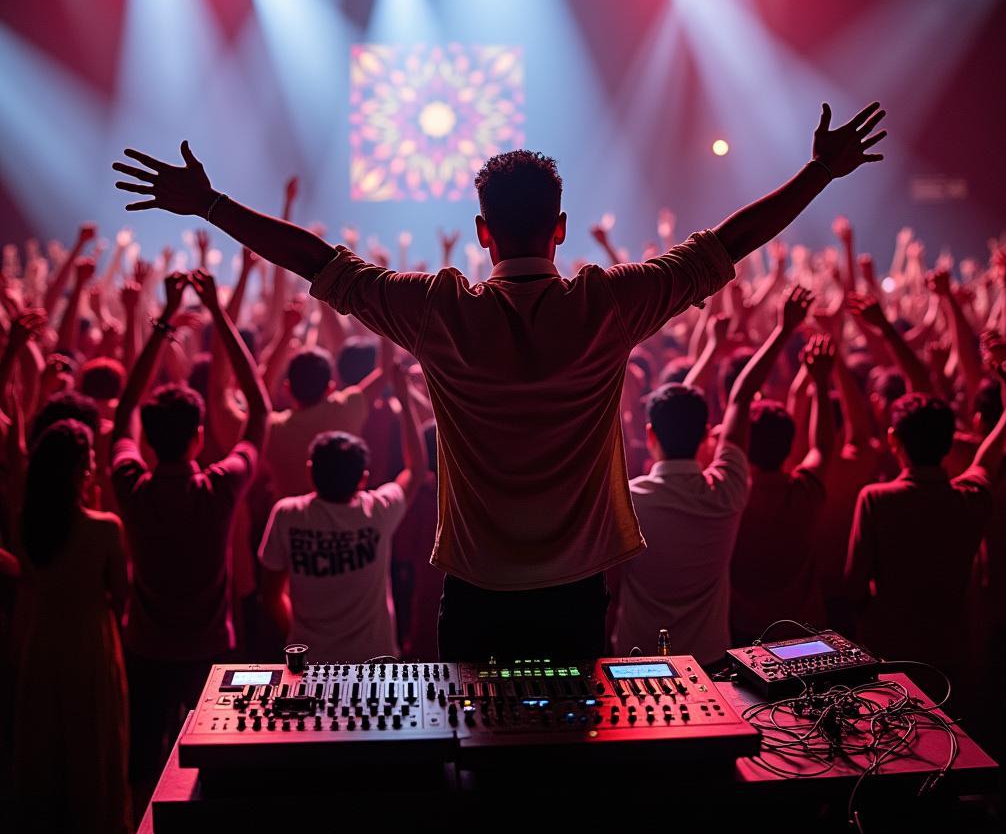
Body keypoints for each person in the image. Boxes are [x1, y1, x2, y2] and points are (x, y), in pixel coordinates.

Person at [113, 100, 887, 659]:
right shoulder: (606, 305)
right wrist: (817, 172)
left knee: (477, 776)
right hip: (578, 596)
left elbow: (317, 263)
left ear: (482, 232)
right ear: (560, 226)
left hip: (476, 595)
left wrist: (211, 203)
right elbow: (727, 245)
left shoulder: (437, 310)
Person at [111, 271, 270, 800]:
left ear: (150, 442)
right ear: (199, 436)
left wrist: (161, 321)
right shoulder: (218, 488)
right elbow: (259, 412)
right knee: (215, 764)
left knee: (143, 762)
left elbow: (125, 410)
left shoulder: (131, 484)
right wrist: (218, 313)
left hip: (146, 647)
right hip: (208, 648)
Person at [612, 286, 813, 664]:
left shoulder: (629, 498)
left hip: (634, 659)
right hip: (709, 660)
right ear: (706, 433)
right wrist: (783, 329)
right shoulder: (726, 490)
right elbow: (740, 397)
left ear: (652, 435)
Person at [844, 371, 1006, 680]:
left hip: (889, 652)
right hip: (952, 652)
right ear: (949, 441)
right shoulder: (971, 499)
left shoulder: (876, 500)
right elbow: (986, 462)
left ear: (893, 439)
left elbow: (854, 586)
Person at [11, 419, 132, 834]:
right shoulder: (104, 528)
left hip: (42, 639)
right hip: (90, 642)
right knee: (92, 748)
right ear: (81, 470)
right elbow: (120, 592)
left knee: (46, 749)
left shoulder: (24, 523)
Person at [258, 362, 426, 661]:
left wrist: (297, 640)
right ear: (362, 479)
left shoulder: (287, 515)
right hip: (376, 661)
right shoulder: (377, 510)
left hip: (309, 662)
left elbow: (270, 595)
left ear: (311, 473)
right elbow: (415, 470)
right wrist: (402, 394)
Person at [730, 333, 837, 643]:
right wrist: (819, 382)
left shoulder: (734, 497)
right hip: (805, 629)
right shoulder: (805, 490)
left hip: (746, 631)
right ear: (791, 445)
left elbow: (740, 397)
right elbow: (823, 447)